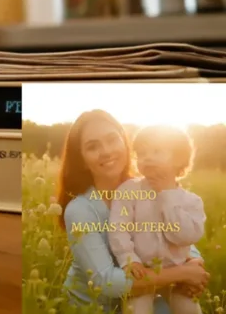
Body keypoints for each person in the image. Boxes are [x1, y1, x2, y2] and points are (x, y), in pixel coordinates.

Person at [56, 110, 210, 313]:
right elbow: (106, 281)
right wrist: (182, 273)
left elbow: (169, 231)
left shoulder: (146, 187)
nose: (106, 151)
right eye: (93, 147)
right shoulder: (80, 210)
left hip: (146, 291)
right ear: (82, 159)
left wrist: (194, 261)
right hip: (96, 306)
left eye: (112, 140)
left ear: (125, 143)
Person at [108, 125, 206, 314]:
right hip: (143, 272)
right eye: (142, 153)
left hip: (178, 274)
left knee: (190, 309)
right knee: (136, 310)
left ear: (178, 158)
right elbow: (118, 228)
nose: (148, 158)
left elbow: (185, 236)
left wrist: (166, 195)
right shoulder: (128, 191)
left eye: (157, 151)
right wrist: (129, 259)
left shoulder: (191, 201)